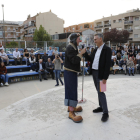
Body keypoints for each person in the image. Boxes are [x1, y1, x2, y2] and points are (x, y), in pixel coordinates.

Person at [84, 33, 111, 122]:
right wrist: (85, 54)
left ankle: (106, 112)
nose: (94, 41)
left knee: (101, 92)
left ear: (100, 39)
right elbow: (90, 59)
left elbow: (107, 65)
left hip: (101, 74)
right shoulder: (95, 49)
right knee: (98, 91)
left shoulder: (107, 50)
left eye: (95, 39)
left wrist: (105, 78)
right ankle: (101, 107)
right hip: (94, 73)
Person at [64, 33, 86, 123]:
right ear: (73, 39)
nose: (79, 40)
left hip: (71, 72)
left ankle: (72, 106)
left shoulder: (73, 47)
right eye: (78, 39)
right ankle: (71, 112)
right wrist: (81, 53)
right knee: (71, 91)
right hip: (69, 73)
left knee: (73, 90)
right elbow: (74, 60)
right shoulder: (70, 48)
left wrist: (80, 53)